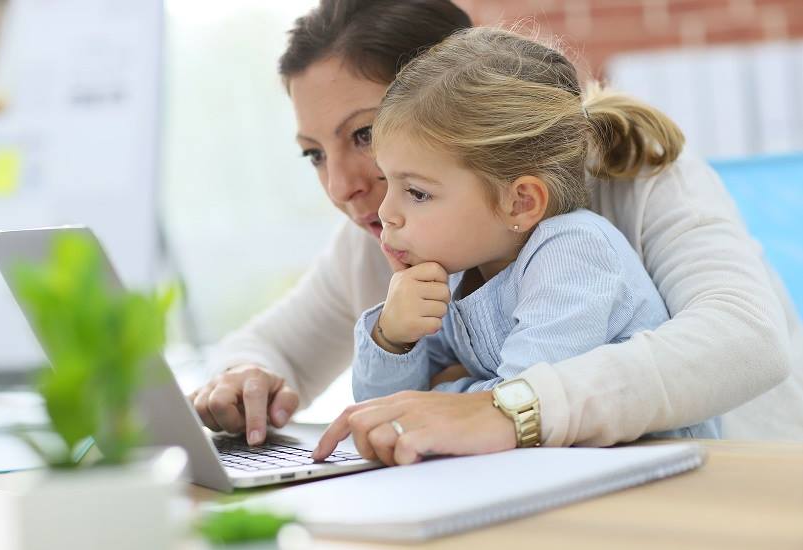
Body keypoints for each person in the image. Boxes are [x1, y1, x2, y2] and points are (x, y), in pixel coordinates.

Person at [189, 0, 801, 463]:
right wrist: (242, 377)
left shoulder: (632, 175)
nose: (341, 185)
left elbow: (747, 338)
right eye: (313, 153)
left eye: (365, 135)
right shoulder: (385, 227)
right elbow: (276, 348)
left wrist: (499, 405)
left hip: (745, 483)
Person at [346, 26, 717, 444]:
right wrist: (393, 338)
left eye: (417, 192)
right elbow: (384, 419)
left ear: (520, 202)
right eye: (386, 182)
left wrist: (442, 390)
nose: (385, 213)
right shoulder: (451, 272)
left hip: (663, 483)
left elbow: (514, 410)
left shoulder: (574, 253)